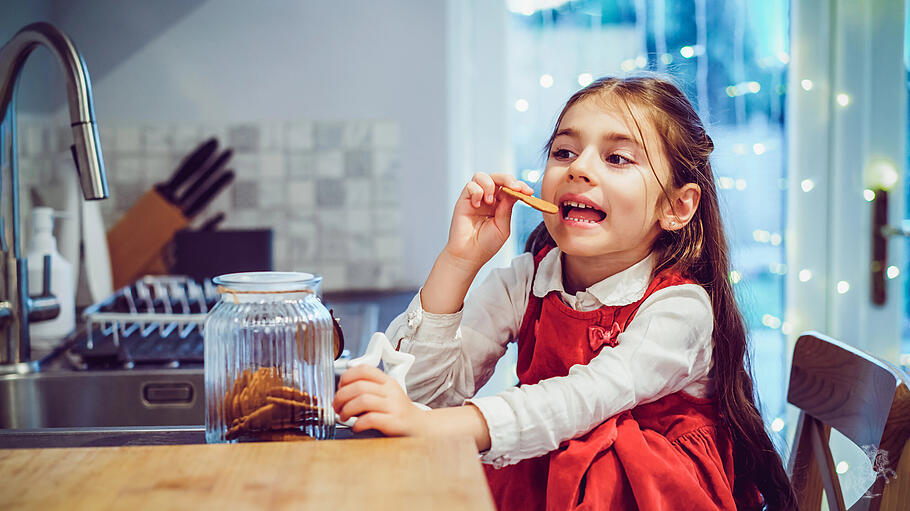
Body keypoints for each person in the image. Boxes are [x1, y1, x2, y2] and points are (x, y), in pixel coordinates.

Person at [333, 75, 796, 510]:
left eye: (617, 158)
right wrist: (459, 261)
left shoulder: (681, 309)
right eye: (563, 152)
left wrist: (435, 427)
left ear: (677, 207)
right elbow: (420, 397)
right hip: (548, 481)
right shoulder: (527, 280)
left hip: (644, 493)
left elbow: (579, 400)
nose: (579, 168)